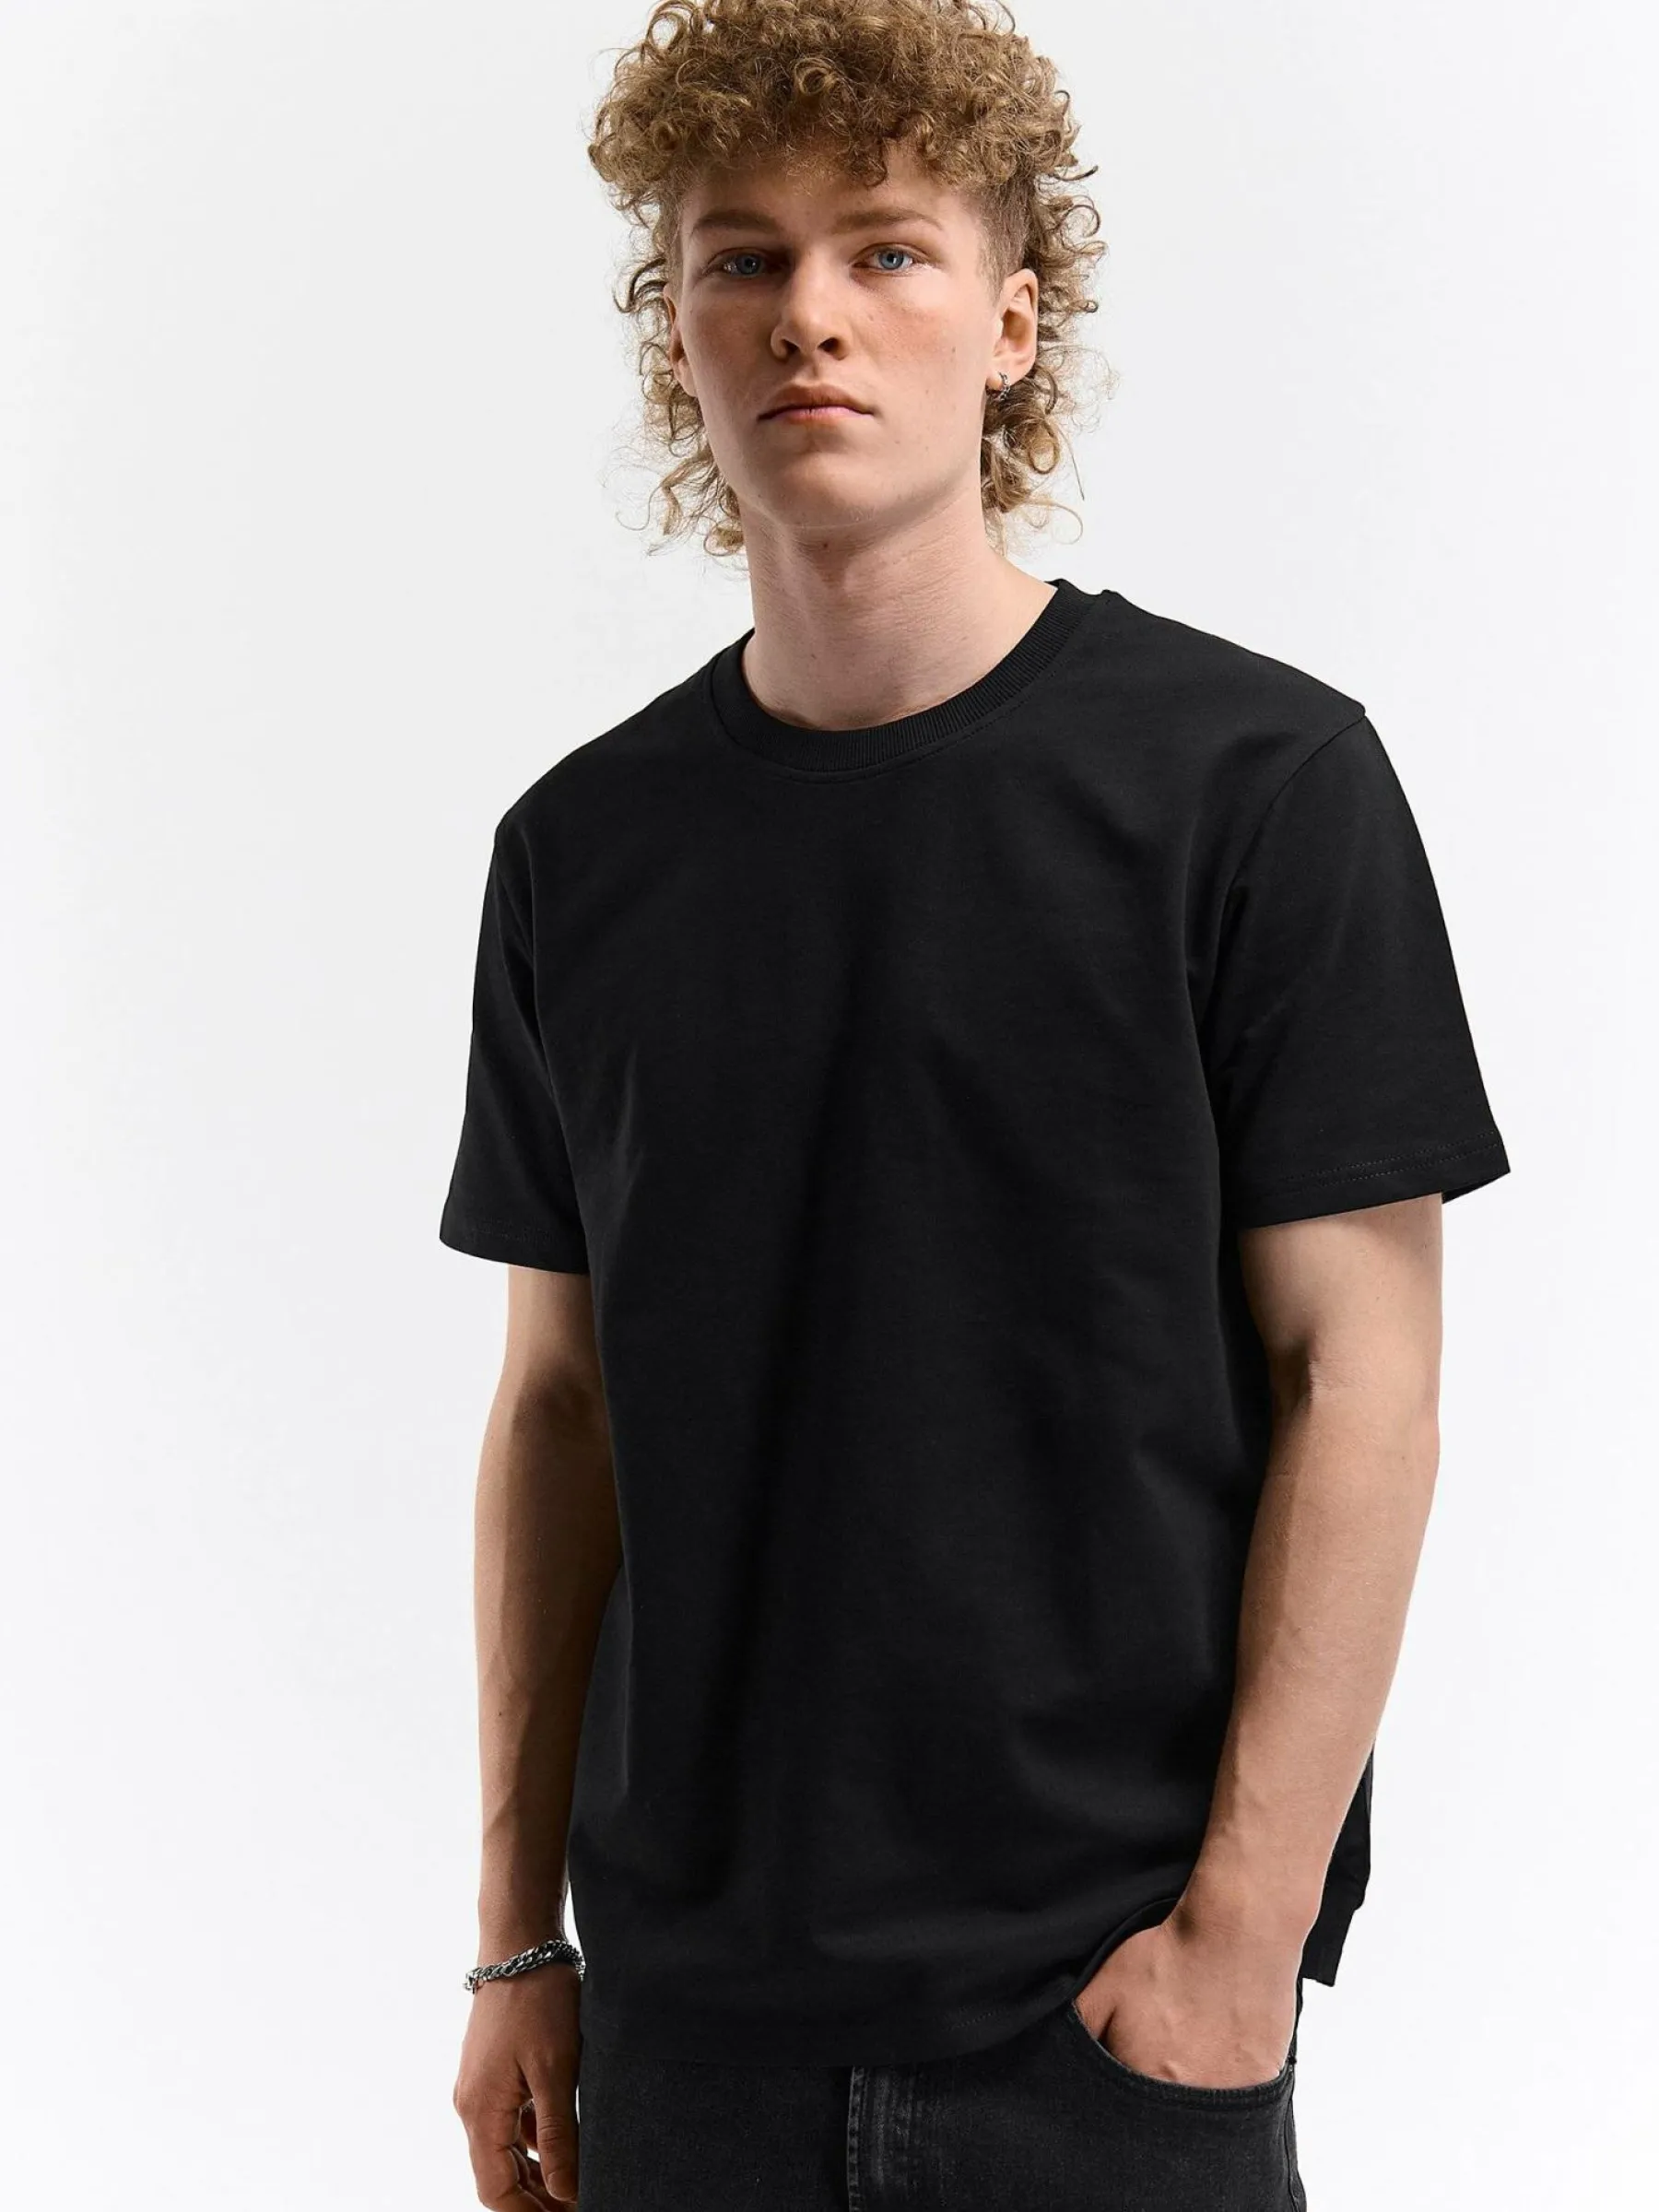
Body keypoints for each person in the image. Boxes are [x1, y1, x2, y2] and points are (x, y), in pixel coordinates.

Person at [438, 4, 1511, 2206]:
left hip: (1103, 2024)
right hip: (687, 2035)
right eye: (740, 259)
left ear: (1015, 325)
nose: (808, 314)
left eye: (888, 250)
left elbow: (1366, 1382)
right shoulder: (581, 852)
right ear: (677, 334)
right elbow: (559, 1408)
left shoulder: (1257, 788)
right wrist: (515, 1941)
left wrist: (1240, 1944)